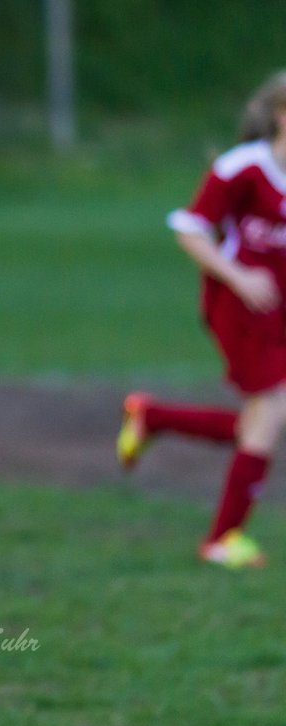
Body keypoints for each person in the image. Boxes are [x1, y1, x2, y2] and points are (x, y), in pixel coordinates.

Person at [118, 71, 286, 570]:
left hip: (279, 310)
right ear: (282, 115)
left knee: (266, 420)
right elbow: (190, 229)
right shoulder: (244, 168)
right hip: (237, 309)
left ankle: (153, 417)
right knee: (270, 411)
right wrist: (238, 276)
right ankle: (222, 538)